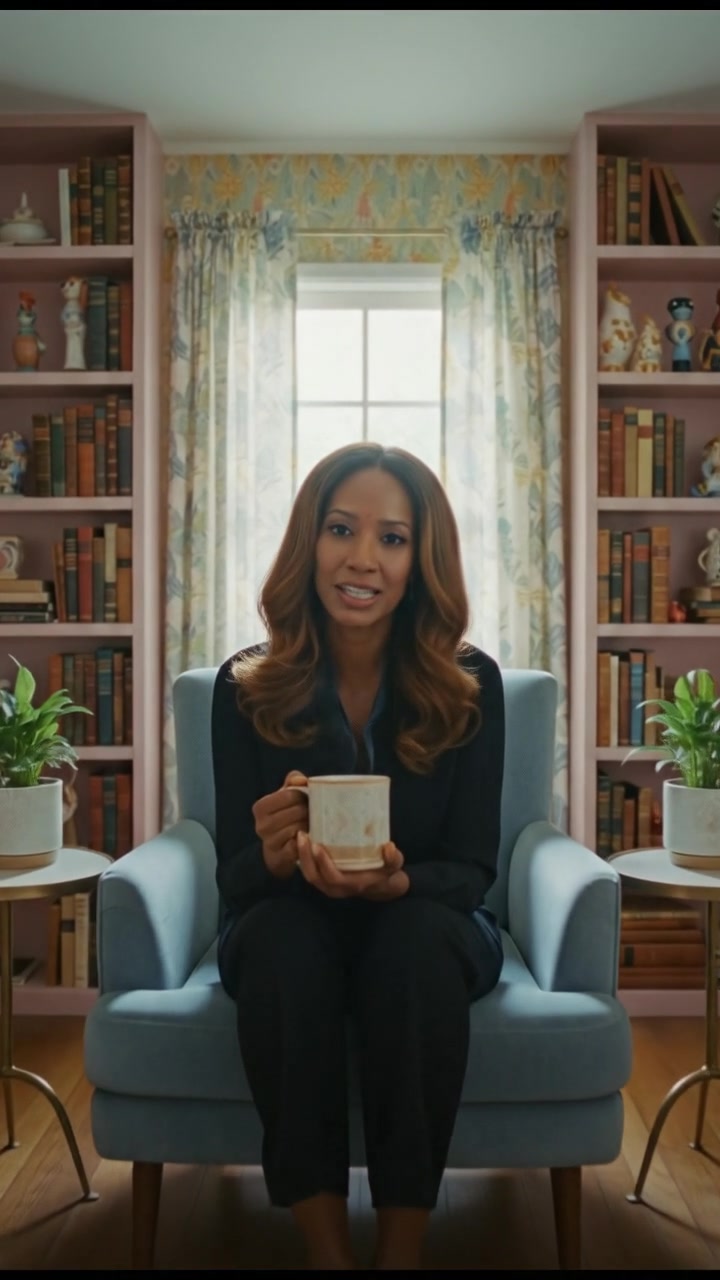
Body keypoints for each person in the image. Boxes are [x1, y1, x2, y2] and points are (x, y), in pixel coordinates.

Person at [212, 442, 505, 1270]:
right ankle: (328, 1255)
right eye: (342, 529)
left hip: (425, 923)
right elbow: (230, 876)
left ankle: (401, 1254)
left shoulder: (470, 681)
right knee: (277, 940)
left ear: (421, 560)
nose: (362, 559)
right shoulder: (247, 685)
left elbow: (475, 870)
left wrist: (397, 881)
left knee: (410, 941)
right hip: (289, 922)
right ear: (310, 542)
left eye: (393, 538)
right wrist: (271, 856)